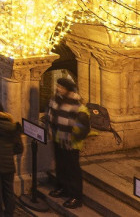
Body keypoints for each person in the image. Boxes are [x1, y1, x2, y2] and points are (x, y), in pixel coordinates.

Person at [44, 76, 89, 210]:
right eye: (58, 86)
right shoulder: (55, 100)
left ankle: (76, 196)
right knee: (61, 165)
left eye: (61, 87)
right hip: (58, 139)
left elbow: (83, 128)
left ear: (68, 90)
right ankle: (62, 187)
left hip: (71, 143)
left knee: (73, 169)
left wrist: (72, 136)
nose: (58, 89)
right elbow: (49, 115)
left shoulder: (78, 107)